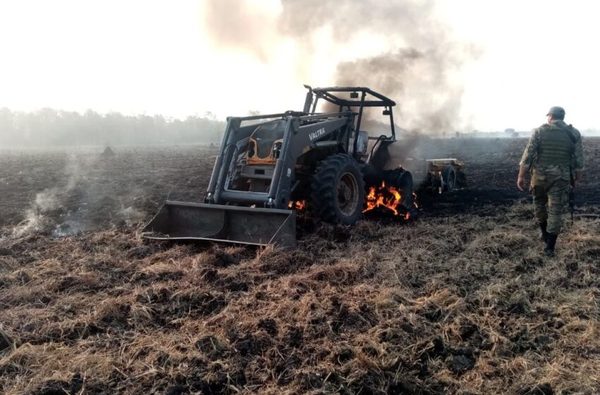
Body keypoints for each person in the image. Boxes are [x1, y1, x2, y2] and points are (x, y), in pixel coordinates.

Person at [517, 106, 584, 256]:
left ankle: (545, 236)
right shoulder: (573, 133)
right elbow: (579, 160)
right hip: (561, 178)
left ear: (550, 116)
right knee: (555, 211)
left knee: (539, 205)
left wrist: (521, 176)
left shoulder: (539, 131)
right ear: (563, 117)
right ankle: (550, 247)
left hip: (539, 177)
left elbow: (527, 156)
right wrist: (576, 178)